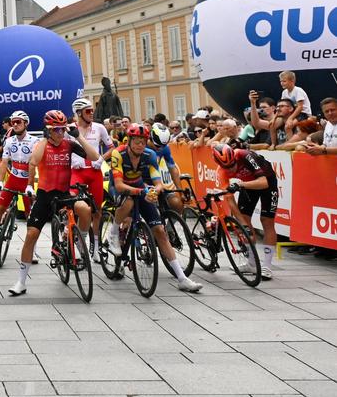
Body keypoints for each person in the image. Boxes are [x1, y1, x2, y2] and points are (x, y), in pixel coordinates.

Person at [9, 111, 100, 297]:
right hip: (45, 196)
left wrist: (78, 136)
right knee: (31, 234)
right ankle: (21, 281)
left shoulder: (69, 144)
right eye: (56, 129)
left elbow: (94, 156)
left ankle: (78, 240)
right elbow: (33, 162)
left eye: (62, 129)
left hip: (64, 194)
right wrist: (44, 139)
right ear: (49, 130)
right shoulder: (42, 144)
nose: (60, 133)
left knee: (85, 209)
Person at [109, 124, 203, 292]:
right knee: (128, 204)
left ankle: (182, 278)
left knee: (159, 230)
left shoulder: (150, 154)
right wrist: (142, 191)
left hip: (139, 186)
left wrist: (155, 190)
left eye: (143, 142)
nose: (140, 145)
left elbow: (158, 183)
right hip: (120, 186)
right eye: (136, 142)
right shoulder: (119, 153)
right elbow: (119, 184)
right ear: (129, 141)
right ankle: (114, 232)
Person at [211, 143, 278, 279]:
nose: (231, 169)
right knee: (244, 220)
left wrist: (241, 184)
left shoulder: (244, 154)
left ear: (235, 158)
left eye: (233, 165)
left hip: (267, 183)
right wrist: (243, 225)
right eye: (227, 167)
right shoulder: (221, 172)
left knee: (266, 221)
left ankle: (267, 266)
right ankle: (252, 264)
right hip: (247, 185)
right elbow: (230, 201)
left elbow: (263, 182)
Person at [0, 110, 36, 252]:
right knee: (1, 208)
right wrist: (0, 181)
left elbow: (33, 164)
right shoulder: (9, 141)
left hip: (26, 181)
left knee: (29, 215)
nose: (15, 124)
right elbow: (4, 162)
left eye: (18, 122)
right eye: (13, 122)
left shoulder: (34, 141)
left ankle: (32, 248)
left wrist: (31, 185)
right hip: (13, 179)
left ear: (26, 123)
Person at [70, 97, 113, 257]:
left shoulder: (99, 127)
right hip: (77, 172)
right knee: (74, 207)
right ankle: (76, 237)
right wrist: (72, 160)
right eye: (88, 111)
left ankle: (95, 247)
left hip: (94, 172)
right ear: (79, 113)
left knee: (97, 212)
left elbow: (111, 148)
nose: (92, 114)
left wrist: (101, 159)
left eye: (92, 110)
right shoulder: (70, 129)